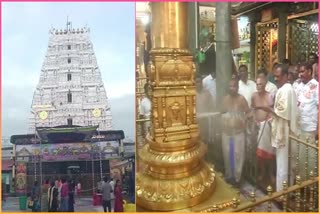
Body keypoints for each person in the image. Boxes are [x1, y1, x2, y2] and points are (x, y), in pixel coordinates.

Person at [260, 64, 298, 192]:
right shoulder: (288, 89)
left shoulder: (285, 90)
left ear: (286, 76)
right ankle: (289, 190)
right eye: (274, 76)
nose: (276, 79)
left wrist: (268, 109)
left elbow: (282, 111)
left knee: (282, 165)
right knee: (288, 164)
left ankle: (282, 194)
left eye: (278, 76)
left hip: (284, 132)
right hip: (287, 130)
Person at [221, 78, 250, 187]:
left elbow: (248, 113)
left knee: (238, 155)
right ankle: (229, 176)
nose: (231, 88)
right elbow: (222, 113)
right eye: (230, 86)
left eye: (234, 86)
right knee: (227, 155)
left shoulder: (242, 99)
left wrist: (243, 121)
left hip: (238, 133)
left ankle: (238, 178)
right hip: (226, 133)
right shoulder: (225, 99)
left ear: (237, 88)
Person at [295, 62, 318, 180]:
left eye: (302, 71)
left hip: (310, 129)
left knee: (311, 159)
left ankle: (311, 185)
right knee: (300, 157)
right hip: (299, 128)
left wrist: (318, 130)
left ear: (309, 71)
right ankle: (301, 184)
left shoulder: (316, 86)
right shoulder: (299, 85)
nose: (300, 74)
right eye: (299, 72)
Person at [251, 76, 276, 184]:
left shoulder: (269, 96)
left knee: (269, 153)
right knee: (259, 154)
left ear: (265, 84)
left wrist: (268, 121)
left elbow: (272, 111)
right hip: (257, 126)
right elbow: (252, 109)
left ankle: (270, 174)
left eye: (260, 84)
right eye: (257, 84)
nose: (258, 86)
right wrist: (254, 121)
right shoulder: (254, 96)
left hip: (267, 126)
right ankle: (262, 172)